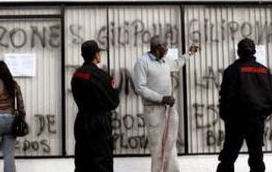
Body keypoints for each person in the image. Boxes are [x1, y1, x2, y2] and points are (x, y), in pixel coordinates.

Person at [133, 35, 199, 172]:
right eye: (165, 46)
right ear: (157, 48)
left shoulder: (164, 61)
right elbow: (140, 88)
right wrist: (161, 98)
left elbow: (177, 64)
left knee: (170, 145)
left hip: (168, 108)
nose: (167, 49)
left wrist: (190, 53)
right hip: (153, 110)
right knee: (157, 147)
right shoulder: (142, 63)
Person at [216, 38, 272, 172]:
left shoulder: (231, 70)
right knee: (256, 157)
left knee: (229, 157)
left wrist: (227, 116)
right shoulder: (264, 71)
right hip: (256, 120)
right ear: (254, 51)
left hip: (235, 120)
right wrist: (262, 114)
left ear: (238, 52)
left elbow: (225, 97)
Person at [71, 40, 120, 172]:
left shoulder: (77, 75)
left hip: (81, 121)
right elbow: (114, 102)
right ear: (96, 55)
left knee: (82, 159)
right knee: (102, 160)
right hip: (99, 123)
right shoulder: (103, 77)